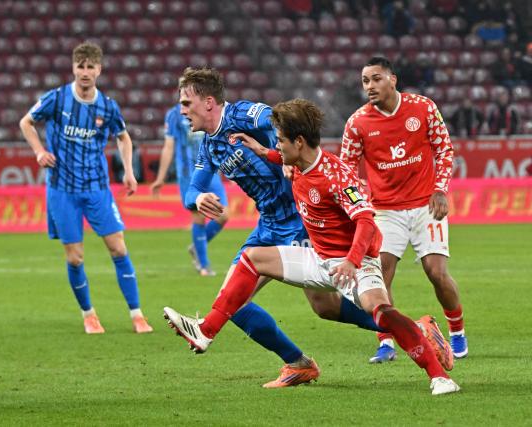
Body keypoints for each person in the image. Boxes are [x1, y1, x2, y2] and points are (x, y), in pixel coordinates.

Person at [164, 98, 459, 395]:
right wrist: (259, 150)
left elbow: (367, 220)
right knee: (253, 259)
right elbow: (281, 157)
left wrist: (352, 261)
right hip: (318, 260)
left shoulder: (335, 175)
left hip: (353, 262)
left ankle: (438, 375)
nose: (276, 146)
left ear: (299, 142)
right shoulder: (297, 164)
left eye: (280, 141)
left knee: (380, 311)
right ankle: (206, 331)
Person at [19, 42, 152, 335]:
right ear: (73, 68)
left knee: (118, 247)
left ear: (99, 70)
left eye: (91, 67)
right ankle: (89, 314)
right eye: (81, 66)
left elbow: (124, 138)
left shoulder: (107, 106)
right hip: (62, 189)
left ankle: (137, 314)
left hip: (97, 189)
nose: (85, 72)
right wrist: (39, 151)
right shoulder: (56, 99)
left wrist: (129, 172)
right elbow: (26, 122)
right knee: (75, 256)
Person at [340, 56, 468, 362]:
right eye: (365, 81)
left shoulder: (422, 107)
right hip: (384, 211)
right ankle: (386, 342)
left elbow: (444, 149)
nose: (369, 86)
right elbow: (346, 170)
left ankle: (457, 332)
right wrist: (359, 205)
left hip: (425, 205)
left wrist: (439, 189)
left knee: (436, 272)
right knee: (380, 276)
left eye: (376, 79)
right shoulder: (358, 122)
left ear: (392, 79)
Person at [150, 96, 229, 276]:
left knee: (224, 215)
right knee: (199, 217)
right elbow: (169, 147)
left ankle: (196, 247)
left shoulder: (208, 111)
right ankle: (203, 264)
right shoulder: (174, 115)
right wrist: (161, 178)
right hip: (188, 174)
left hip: (211, 171)